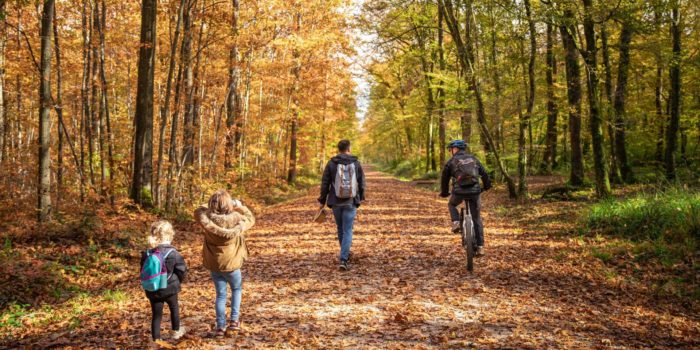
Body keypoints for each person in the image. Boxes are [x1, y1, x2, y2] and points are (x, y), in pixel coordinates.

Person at [194, 190, 255, 337]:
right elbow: (250, 218)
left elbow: (198, 210)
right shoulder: (237, 219)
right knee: (236, 289)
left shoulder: (206, 218)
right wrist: (238, 205)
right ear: (229, 205)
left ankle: (220, 327)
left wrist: (212, 204)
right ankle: (234, 321)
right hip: (232, 263)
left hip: (215, 263)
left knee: (220, 295)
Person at [319, 139, 366, 270]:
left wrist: (322, 201)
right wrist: (361, 197)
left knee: (340, 229)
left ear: (338, 149)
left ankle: (344, 256)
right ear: (349, 149)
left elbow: (325, 183)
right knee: (347, 230)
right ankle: (344, 259)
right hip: (350, 201)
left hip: (335, 202)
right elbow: (361, 182)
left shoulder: (331, 163)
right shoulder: (356, 163)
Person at [439, 140, 492, 256]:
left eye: (451, 149)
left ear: (455, 149)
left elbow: (444, 178)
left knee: (451, 204)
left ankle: (456, 222)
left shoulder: (451, 161)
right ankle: (481, 247)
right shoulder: (474, 159)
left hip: (459, 192)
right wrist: (487, 186)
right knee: (477, 218)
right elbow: (484, 174)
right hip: (475, 192)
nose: (450, 151)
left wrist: (444, 192)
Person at [140, 221, 188, 343]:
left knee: (156, 314)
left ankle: (156, 338)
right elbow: (181, 270)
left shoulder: (147, 253)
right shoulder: (173, 253)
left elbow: (143, 270)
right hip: (170, 287)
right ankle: (176, 331)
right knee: (174, 308)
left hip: (153, 288)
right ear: (170, 235)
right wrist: (178, 281)